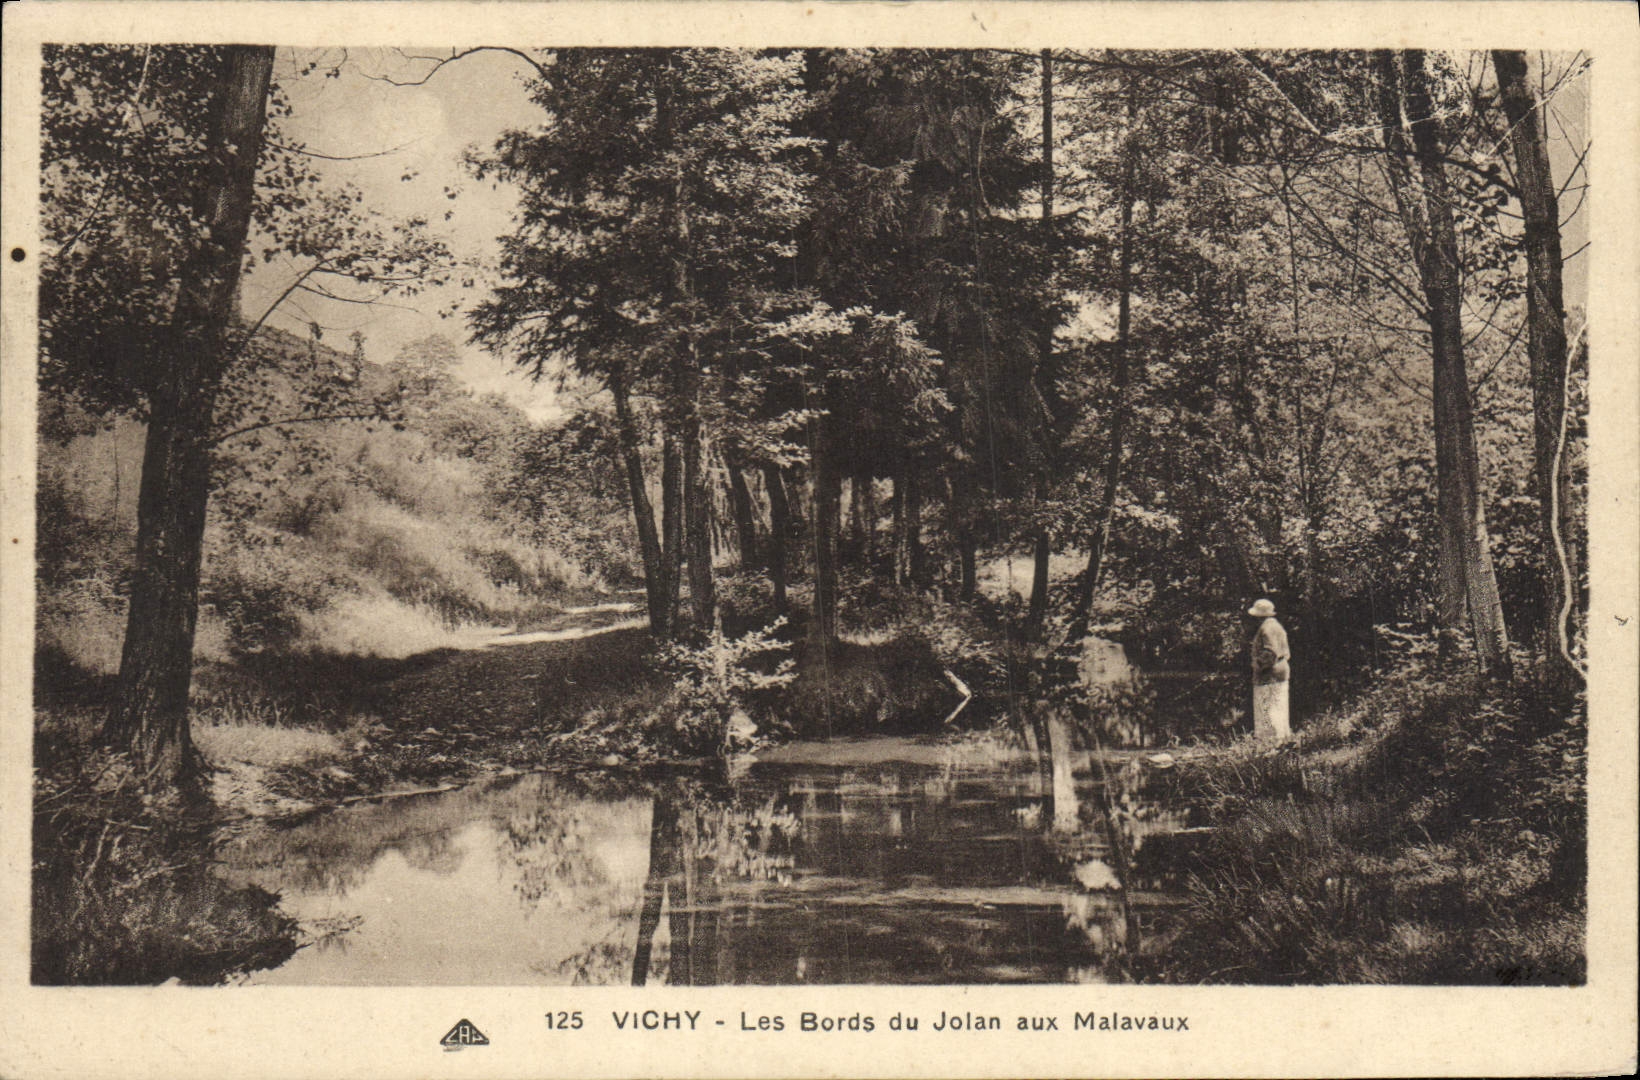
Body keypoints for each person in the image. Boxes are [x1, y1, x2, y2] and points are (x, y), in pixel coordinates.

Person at [1247, 598, 1291, 743]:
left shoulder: (1267, 628)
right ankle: (1281, 741)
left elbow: (1270, 652)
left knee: (1268, 709)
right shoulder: (1277, 626)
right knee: (1279, 707)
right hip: (1280, 671)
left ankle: (1270, 743)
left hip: (1269, 675)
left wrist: (1258, 665)